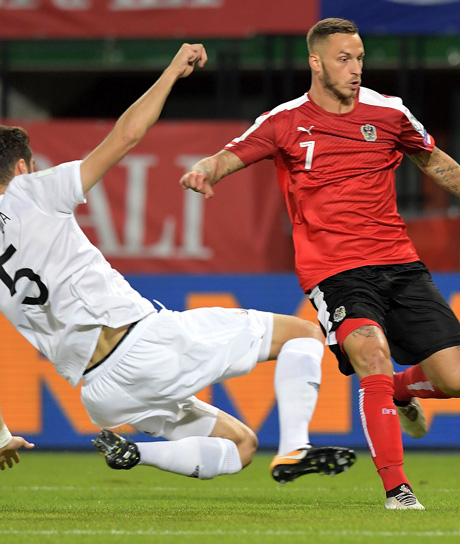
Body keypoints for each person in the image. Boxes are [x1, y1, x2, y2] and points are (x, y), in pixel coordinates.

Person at [179, 18, 460, 510]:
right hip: (335, 272)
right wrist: (205, 169)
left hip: (399, 262)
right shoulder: (285, 120)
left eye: (360, 58)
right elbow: (232, 155)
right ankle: (399, 490)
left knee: (458, 379)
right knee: (372, 353)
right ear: (316, 62)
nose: (355, 69)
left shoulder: (388, 112)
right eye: (344, 59)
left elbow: (430, 159)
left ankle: (393, 391)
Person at [0, 44, 356, 484]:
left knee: (239, 446)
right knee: (304, 333)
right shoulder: (29, 191)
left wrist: (0, 436)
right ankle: (294, 448)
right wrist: (169, 73)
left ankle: (136, 453)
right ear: (22, 167)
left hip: (100, 394)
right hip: (142, 346)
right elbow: (125, 136)